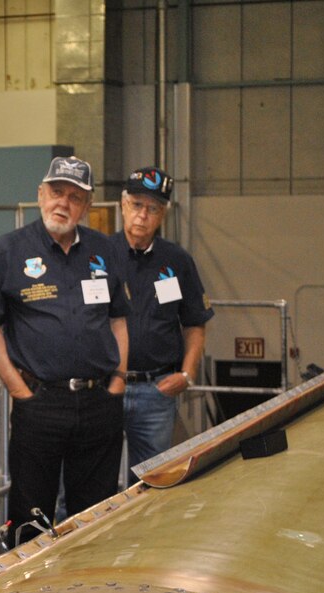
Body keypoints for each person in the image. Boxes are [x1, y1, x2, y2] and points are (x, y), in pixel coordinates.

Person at [0, 155, 130, 533]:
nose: (64, 203)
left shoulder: (104, 250)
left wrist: (118, 381)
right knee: (31, 514)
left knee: (96, 516)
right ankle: (26, 591)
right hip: (40, 404)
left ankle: (88, 588)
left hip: (98, 402)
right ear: (41, 195)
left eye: (75, 197)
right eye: (57, 192)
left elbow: (119, 319)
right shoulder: (9, 251)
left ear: (87, 207)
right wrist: (18, 390)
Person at [114, 167, 214, 477]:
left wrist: (187, 373)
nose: (142, 215)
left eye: (152, 208)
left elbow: (195, 323)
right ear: (123, 204)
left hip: (156, 391)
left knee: (153, 480)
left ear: (163, 214)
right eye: (137, 205)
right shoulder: (98, 256)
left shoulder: (177, 261)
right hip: (108, 391)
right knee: (95, 477)